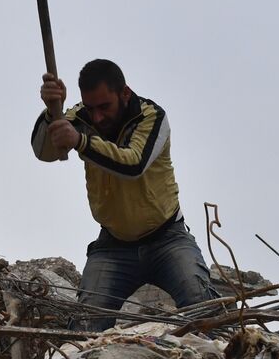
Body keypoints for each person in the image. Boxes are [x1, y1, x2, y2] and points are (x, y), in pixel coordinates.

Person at [31, 59, 216, 331]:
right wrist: (51, 113)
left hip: (168, 238)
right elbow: (43, 152)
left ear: (124, 93)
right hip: (112, 245)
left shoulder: (152, 117)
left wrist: (80, 141)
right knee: (85, 325)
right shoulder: (79, 117)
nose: (97, 117)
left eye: (105, 107)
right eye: (91, 108)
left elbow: (134, 164)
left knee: (204, 311)